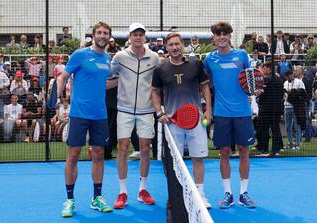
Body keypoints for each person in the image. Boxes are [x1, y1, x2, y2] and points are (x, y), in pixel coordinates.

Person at [57, 22, 116, 217]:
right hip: (79, 114)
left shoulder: (107, 59)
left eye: (105, 33)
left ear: (109, 37)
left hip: (100, 115)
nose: (102, 36)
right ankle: (70, 200)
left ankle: (96, 198)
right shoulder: (79, 55)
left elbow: (102, 85)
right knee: (73, 154)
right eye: (99, 32)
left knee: (99, 154)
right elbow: (63, 77)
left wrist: (124, 79)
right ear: (93, 35)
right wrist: (59, 97)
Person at [151, 32, 212, 208]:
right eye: (171, 45)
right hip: (172, 123)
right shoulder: (160, 69)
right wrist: (159, 113)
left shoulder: (195, 64)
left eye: (177, 44)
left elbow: (205, 86)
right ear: (166, 47)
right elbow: (154, 92)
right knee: (175, 163)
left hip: (197, 121)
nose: (175, 48)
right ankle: (176, 195)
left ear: (182, 45)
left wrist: (208, 109)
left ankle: (200, 195)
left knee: (198, 158)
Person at [204, 22, 256, 209]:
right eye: (218, 34)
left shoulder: (242, 55)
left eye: (225, 34)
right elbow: (205, 83)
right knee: (224, 152)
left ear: (230, 37)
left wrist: (255, 98)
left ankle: (243, 193)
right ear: (214, 37)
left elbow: (251, 80)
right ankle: (228, 194)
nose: (222, 37)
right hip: (221, 113)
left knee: (244, 151)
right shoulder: (209, 59)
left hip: (242, 112)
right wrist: (207, 108)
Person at [111, 23, 159, 209]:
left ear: (144, 37)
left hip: (147, 110)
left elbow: (160, 80)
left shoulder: (154, 58)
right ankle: (122, 192)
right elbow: (108, 74)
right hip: (124, 109)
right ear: (129, 37)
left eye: (141, 34)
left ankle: (143, 189)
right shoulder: (120, 56)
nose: (138, 37)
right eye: (135, 34)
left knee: (145, 148)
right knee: (123, 147)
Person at [256, 62, 284, 156]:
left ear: (269, 69)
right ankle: (276, 150)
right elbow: (281, 95)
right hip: (277, 108)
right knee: (275, 129)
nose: (264, 70)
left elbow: (261, 95)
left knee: (264, 129)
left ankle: (264, 150)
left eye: (265, 68)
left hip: (266, 109)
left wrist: (260, 102)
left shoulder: (266, 80)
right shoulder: (279, 80)